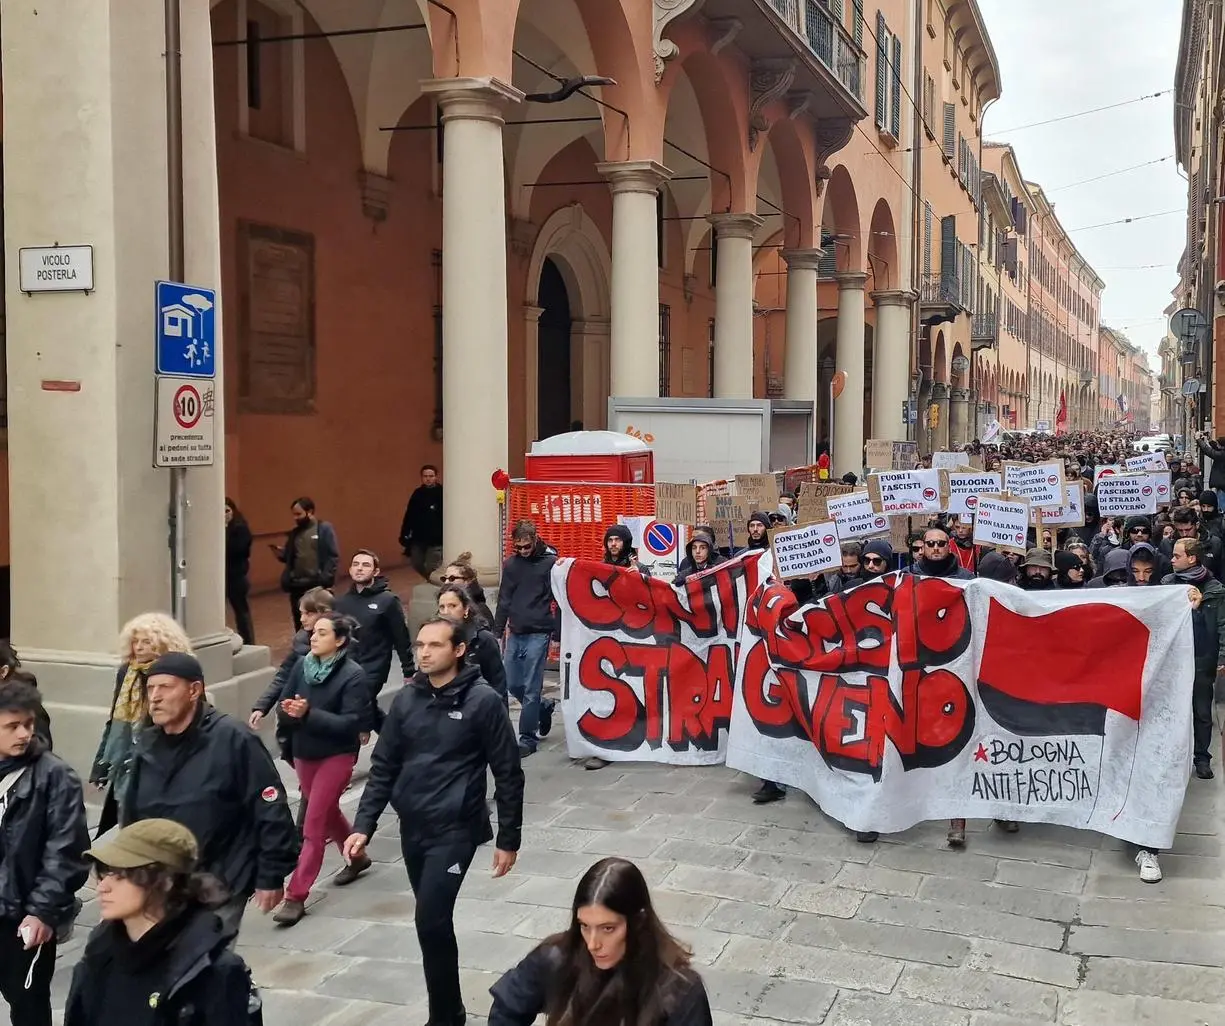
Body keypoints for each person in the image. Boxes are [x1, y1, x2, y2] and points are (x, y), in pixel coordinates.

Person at [344, 619, 524, 1026]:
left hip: (456, 829)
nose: (424, 652)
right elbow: (384, 766)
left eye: (435, 645)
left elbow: (508, 771)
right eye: (420, 645)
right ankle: (449, 1009)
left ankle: (445, 1017)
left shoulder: (483, 702)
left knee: (430, 919)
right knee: (432, 926)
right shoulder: (407, 701)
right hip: (414, 828)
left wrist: (508, 838)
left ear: (458, 649)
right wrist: (363, 825)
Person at [121, 652, 299, 938]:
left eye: (164, 688)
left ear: (194, 690)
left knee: (203, 966)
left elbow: (269, 808)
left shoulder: (233, 739)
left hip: (220, 880)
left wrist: (271, 874)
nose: (154, 697)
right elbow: (132, 811)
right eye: (150, 689)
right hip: (161, 883)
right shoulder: (147, 743)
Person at [64, 820, 258, 1025]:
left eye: (121, 876)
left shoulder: (213, 971)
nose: (103, 887)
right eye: (104, 873)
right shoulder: (98, 956)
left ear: (166, 881)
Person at [488, 857, 713, 1026]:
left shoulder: (679, 989)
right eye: (585, 926)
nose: (593, 943)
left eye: (608, 928)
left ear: (637, 922)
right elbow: (507, 1009)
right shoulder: (556, 957)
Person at [273, 613, 373, 925]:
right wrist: (289, 712)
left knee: (313, 825)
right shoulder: (302, 665)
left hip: (337, 755)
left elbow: (350, 724)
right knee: (327, 812)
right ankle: (357, 857)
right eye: (313, 632)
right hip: (304, 752)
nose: (313, 637)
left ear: (340, 640)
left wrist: (309, 714)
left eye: (322, 633)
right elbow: (284, 701)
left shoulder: (353, 675)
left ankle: (296, 895)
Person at [0, 679, 89, 1026]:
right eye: (12, 726)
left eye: (28, 724)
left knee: (29, 1004)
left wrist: (41, 912)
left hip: (23, 917)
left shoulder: (55, 776)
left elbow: (66, 852)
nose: (23, 733)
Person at [92, 613, 193, 833]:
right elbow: (114, 720)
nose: (138, 647)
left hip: (163, 754)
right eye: (135, 641)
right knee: (127, 816)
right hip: (127, 757)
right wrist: (101, 764)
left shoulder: (179, 671)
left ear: (162, 642)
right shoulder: (126, 672)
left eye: (145, 641)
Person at [1162, 536, 1225, 781]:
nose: (1172, 559)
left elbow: (1222, 624)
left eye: (1177, 556)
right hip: (1175, 657)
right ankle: (1175, 757)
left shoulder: (1215, 590)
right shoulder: (1169, 583)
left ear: (1192, 558)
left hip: (1202, 657)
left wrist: (1221, 656)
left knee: (1201, 710)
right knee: (1174, 709)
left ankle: (1201, 758)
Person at [494, 521, 559, 758]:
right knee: (512, 683)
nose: (523, 550)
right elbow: (504, 598)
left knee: (531, 686)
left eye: (527, 546)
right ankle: (543, 707)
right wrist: (497, 631)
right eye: (519, 547)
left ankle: (527, 737)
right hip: (516, 629)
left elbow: (558, 598)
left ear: (535, 539)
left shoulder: (550, 563)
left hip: (540, 629)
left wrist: (557, 633)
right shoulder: (511, 565)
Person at [334, 549, 414, 729]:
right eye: (356, 564)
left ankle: (362, 740)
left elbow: (401, 636)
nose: (360, 569)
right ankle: (395, 742)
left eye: (366, 565)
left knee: (358, 706)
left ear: (376, 572)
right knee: (366, 708)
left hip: (374, 667)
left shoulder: (387, 600)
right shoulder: (340, 603)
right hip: (346, 666)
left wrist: (408, 670)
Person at [249, 586, 334, 757]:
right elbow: (283, 675)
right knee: (290, 747)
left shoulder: (343, 642)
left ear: (325, 613)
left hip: (326, 711)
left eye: (308, 614)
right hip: (299, 708)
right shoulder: (301, 640)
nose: (302, 619)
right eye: (301, 613)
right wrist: (261, 707)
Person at [272, 497, 340, 631]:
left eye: (298, 514)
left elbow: (333, 555)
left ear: (310, 512)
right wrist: (281, 554)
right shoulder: (294, 533)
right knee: (301, 623)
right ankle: (302, 649)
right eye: (293, 514)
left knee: (320, 622)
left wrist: (326, 579)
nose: (295, 518)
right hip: (297, 585)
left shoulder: (323, 529)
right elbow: (290, 557)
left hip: (316, 585)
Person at [438, 584, 508, 700]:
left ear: (466, 609)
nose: (446, 612)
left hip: (476, 706)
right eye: (442, 607)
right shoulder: (433, 638)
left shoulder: (483, 639)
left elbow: (498, 684)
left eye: (452, 606)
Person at [400, 464, 445, 581]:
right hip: (418, 537)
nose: (428, 478)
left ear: (436, 477)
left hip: (436, 539)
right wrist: (404, 533)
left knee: (432, 565)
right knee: (416, 562)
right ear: (422, 477)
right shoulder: (417, 493)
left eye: (431, 476)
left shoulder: (442, 493)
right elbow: (409, 514)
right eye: (425, 476)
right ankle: (430, 581)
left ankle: (432, 583)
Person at [224, 498, 255, 645]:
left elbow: (238, 550)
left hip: (236, 577)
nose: (225, 515)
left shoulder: (240, 528)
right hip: (222, 577)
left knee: (241, 611)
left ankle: (249, 640)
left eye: (227, 511)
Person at [440, 553, 495, 627]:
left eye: (452, 579)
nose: (446, 582)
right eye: (444, 578)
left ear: (467, 581)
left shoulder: (480, 610)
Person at [908, 527, 974, 580]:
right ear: (923, 547)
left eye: (941, 543)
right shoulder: (907, 574)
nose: (935, 548)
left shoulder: (966, 578)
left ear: (949, 547)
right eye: (930, 544)